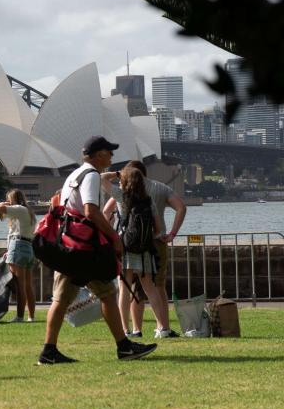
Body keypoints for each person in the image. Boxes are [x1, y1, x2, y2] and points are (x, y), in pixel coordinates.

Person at [37, 136, 157, 364]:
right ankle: (124, 347)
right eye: (109, 152)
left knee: (60, 300)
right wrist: (114, 238)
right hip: (85, 249)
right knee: (107, 295)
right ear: (99, 155)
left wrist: (109, 176)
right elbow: (91, 211)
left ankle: (49, 351)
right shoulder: (91, 176)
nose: (112, 157)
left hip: (68, 246)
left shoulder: (76, 174)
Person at [122, 160, 186, 338]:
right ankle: (162, 327)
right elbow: (181, 207)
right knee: (157, 285)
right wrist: (172, 233)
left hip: (131, 244)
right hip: (156, 242)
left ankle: (136, 329)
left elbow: (106, 211)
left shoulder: (126, 192)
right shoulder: (159, 188)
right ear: (145, 172)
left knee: (135, 288)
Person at [105, 168, 164, 338]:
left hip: (126, 249)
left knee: (124, 289)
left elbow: (101, 179)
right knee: (150, 289)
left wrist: (117, 173)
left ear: (125, 181)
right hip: (145, 250)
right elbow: (158, 229)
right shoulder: (148, 200)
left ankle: (126, 330)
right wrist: (145, 239)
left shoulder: (121, 196)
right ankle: (162, 327)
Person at [0, 189, 36, 322]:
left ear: (13, 199)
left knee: (19, 284)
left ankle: (19, 316)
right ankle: (31, 316)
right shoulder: (28, 212)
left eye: (9, 199)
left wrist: (3, 203)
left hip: (18, 245)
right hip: (28, 247)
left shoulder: (18, 208)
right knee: (28, 285)